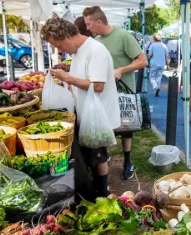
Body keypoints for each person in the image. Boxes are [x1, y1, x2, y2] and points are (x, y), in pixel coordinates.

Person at [43, 18, 120, 197]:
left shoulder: (95, 51)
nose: (60, 50)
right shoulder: (79, 51)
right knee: (92, 155)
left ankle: (101, 193)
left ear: (67, 36)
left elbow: (98, 86)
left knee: (98, 156)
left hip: (98, 116)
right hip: (87, 113)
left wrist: (68, 78)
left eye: (60, 45)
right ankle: (95, 190)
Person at [83, 6, 148, 180]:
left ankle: (127, 161)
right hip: (104, 92)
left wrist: (122, 69)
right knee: (106, 126)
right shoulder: (96, 40)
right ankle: (105, 157)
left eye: (89, 24)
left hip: (124, 92)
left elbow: (143, 61)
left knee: (126, 129)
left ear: (99, 21)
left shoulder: (124, 36)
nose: (88, 28)